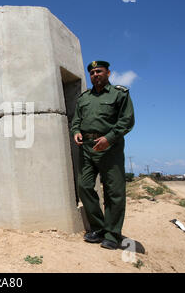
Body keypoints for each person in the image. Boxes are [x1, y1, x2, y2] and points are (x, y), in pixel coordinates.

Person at [71, 60, 135, 250]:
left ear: (108, 73)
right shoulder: (84, 98)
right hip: (87, 148)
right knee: (84, 186)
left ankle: (112, 234)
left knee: (114, 192)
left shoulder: (119, 94)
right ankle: (98, 228)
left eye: (99, 71)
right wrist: (76, 132)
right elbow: (76, 121)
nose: (95, 75)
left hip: (110, 148)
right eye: (92, 73)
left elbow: (127, 120)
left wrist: (109, 138)